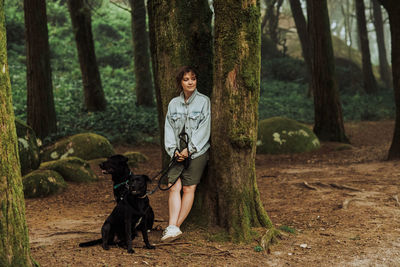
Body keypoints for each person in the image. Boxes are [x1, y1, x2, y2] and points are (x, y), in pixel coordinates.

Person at [161, 66, 211, 242]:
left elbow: (205, 129)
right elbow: (168, 128)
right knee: (173, 185)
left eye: (193, 78)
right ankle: (172, 227)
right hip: (176, 153)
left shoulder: (204, 101)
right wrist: (173, 150)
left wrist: (190, 149)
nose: (190, 82)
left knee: (189, 187)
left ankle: (174, 227)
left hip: (197, 152)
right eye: (186, 79)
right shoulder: (173, 103)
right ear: (180, 83)